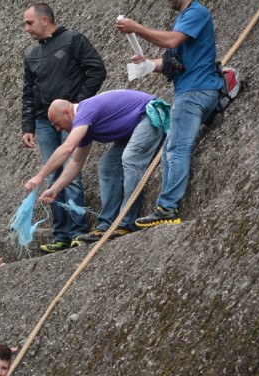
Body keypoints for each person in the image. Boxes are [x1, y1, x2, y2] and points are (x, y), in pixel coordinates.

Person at [115, 0, 222, 227]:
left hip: (195, 91)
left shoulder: (196, 12)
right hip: (190, 90)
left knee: (176, 148)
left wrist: (137, 28)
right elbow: (174, 64)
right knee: (169, 149)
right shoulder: (182, 19)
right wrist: (148, 64)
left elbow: (172, 40)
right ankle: (166, 207)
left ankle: (168, 208)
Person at [25, 91, 169, 241]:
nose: (57, 129)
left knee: (130, 157)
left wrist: (39, 177)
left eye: (57, 124)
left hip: (150, 116)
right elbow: (76, 163)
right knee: (107, 166)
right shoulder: (84, 124)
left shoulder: (84, 111)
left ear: (67, 113)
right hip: (134, 128)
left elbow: (67, 148)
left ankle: (126, 223)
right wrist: (55, 189)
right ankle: (106, 225)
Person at [22, 2, 107, 253]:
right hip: (42, 121)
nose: (26, 28)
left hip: (70, 117)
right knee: (52, 175)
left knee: (71, 173)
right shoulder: (31, 55)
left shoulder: (73, 40)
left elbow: (97, 70)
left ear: (45, 20)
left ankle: (78, 230)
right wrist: (28, 127)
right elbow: (28, 93)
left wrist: (78, 103)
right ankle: (61, 234)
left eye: (29, 23)